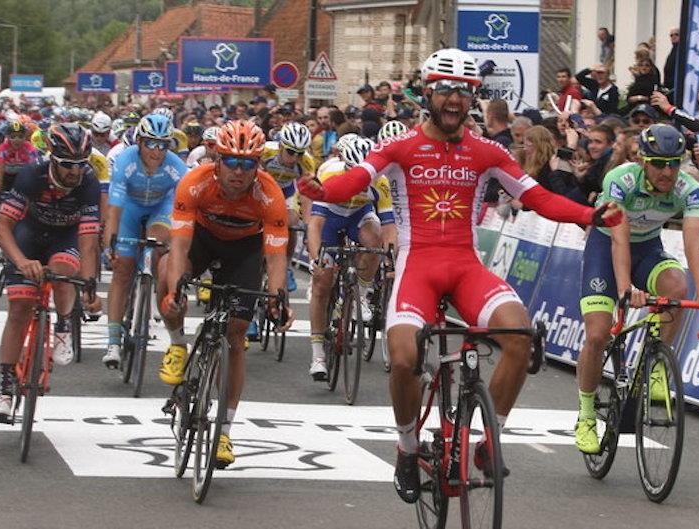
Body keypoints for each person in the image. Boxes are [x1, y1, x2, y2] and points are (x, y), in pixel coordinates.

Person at [298, 48, 622, 503]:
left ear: (473, 98)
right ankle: (408, 448)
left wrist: (590, 215)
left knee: (519, 334)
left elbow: (538, 198)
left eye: (464, 92)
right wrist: (321, 190)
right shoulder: (401, 145)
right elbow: (356, 179)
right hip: (419, 264)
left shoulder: (486, 150)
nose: (454, 99)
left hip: (466, 264)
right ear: (428, 92)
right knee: (406, 357)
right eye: (446, 90)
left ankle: (488, 440)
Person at [574, 124, 699, 454]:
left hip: (648, 248)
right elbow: (619, 239)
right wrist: (626, 288)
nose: (667, 171)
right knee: (598, 335)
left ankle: (655, 364)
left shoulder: (689, 187)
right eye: (658, 162)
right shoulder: (620, 180)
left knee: (677, 286)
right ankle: (586, 415)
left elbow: (692, 240)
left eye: (674, 162)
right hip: (606, 246)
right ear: (643, 160)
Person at [159, 120, 293, 466]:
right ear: (216, 159)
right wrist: (175, 289)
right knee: (163, 269)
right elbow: (179, 246)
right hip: (202, 240)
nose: (239, 171)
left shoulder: (270, 194)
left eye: (248, 164)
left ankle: (224, 432)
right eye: (231, 161)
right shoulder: (195, 182)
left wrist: (279, 300)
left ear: (258, 165)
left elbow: (276, 256)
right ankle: (176, 343)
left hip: (245, 250)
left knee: (235, 337)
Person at [0, 123, 101, 422]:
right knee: (19, 307)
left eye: (80, 165)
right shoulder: (32, 174)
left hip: (65, 237)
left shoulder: (89, 181)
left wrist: (90, 285)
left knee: (65, 269)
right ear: (52, 157)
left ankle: (64, 325)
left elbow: (89, 241)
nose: (75, 172)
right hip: (29, 235)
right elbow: (1, 226)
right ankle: (4, 389)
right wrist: (20, 261)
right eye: (67, 165)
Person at [100, 114, 188, 370]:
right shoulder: (125, 162)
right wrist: (110, 246)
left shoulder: (176, 167)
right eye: (151, 143)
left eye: (163, 145)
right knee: (123, 269)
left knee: (159, 246)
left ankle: (153, 275)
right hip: (129, 209)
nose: (157, 151)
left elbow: (184, 211)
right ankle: (114, 342)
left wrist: (178, 245)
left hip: (161, 208)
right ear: (139, 142)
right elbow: (113, 211)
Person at [307, 136, 394, 380]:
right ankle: (318, 356)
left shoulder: (381, 182)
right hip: (330, 220)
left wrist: (390, 257)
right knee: (322, 282)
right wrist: (317, 260)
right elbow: (314, 225)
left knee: (374, 241)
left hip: (359, 215)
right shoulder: (329, 176)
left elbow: (388, 227)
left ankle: (362, 295)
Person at [259, 122, 317, 294]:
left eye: (299, 153)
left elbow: (307, 196)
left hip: (285, 192)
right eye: (290, 152)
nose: (294, 159)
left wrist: (307, 227)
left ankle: (287, 264)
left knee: (291, 222)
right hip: (263, 189)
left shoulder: (306, 162)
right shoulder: (266, 151)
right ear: (280, 145)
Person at [0, 120, 42, 193]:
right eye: (13, 137)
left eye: (20, 137)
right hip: (6, 177)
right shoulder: (2, 149)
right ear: (7, 137)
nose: (17, 140)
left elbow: (34, 170)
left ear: (25, 137)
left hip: (23, 177)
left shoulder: (30, 148)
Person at [663, 28, 680, 94]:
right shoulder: (672, 51)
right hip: (669, 88)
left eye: (676, 34)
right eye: (671, 35)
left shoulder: (682, 51)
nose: (673, 37)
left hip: (677, 87)